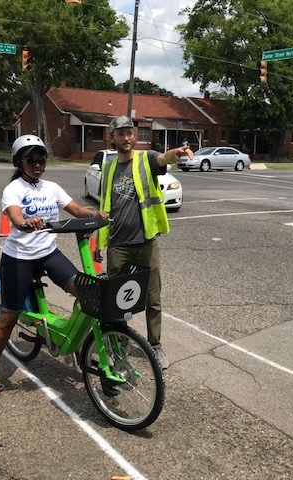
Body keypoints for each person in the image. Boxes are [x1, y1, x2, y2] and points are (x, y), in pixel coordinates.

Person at [0, 134, 106, 398]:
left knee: (86, 292)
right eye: (31, 160)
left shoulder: (51, 187)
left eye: (41, 159)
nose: (37, 164)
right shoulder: (13, 189)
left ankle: (78, 342)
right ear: (20, 162)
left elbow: (75, 209)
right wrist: (26, 221)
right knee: (8, 318)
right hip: (19, 257)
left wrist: (96, 214)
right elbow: (14, 217)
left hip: (48, 252)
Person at [94, 116, 193, 369]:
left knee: (153, 297)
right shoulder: (109, 167)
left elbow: (163, 158)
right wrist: (98, 244)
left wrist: (176, 153)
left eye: (130, 133)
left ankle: (155, 345)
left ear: (134, 136)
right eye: (121, 133)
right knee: (116, 299)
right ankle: (120, 339)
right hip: (118, 245)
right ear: (112, 137)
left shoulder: (145, 159)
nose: (127, 138)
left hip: (146, 242)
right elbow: (105, 206)